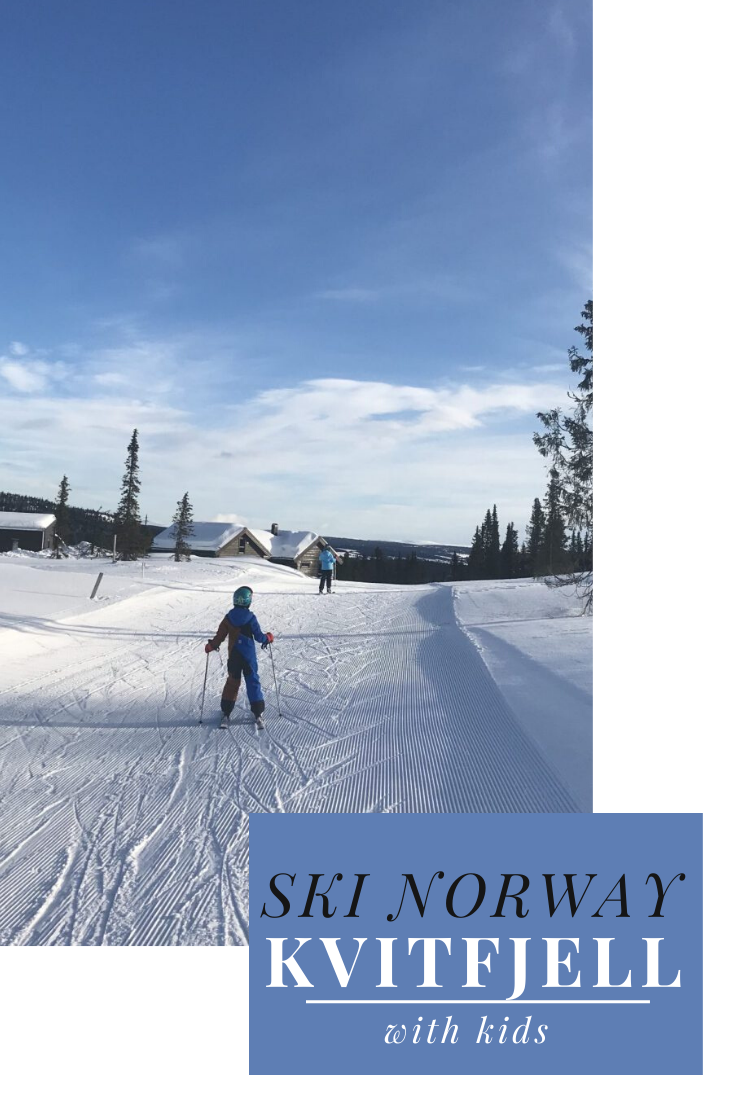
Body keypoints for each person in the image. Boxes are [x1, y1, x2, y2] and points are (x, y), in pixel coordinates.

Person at [205, 585, 274, 728]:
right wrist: (268, 638)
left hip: (234, 656)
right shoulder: (251, 618)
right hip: (248, 657)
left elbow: (220, 636)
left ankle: (226, 712)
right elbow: (259, 636)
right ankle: (258, 713)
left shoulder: (228, 618)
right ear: (248, 601)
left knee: (232, 681)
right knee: (252, 680)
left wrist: (211, 646)